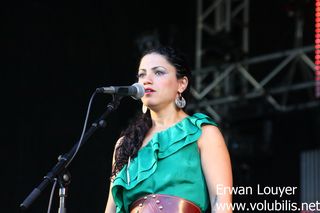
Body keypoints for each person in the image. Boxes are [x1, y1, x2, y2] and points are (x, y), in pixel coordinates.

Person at [105, 46, 232, 213]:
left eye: (158, 72)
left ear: (181, 84)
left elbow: (221, 202)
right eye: (142, 74)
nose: (147, 80)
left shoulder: (203, 133)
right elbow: (111, 209)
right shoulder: (126, 144)